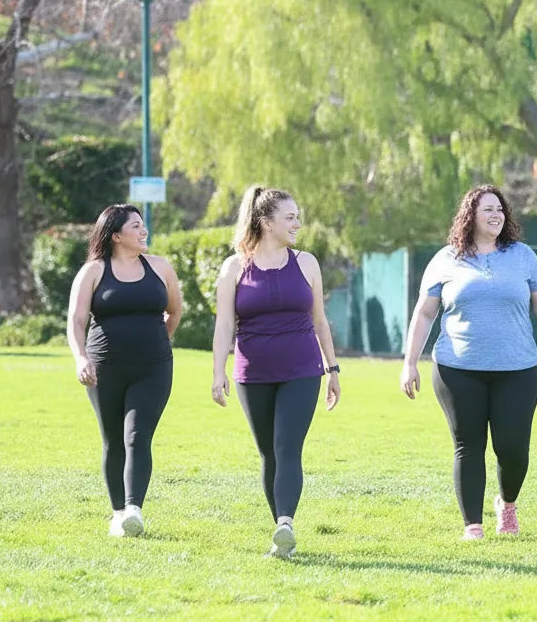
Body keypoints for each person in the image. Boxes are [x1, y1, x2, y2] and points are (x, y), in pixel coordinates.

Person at [400, 184, 537, 540]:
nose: (496, 215)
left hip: (517, 369)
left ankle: (507, 504)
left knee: (512, 448)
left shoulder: (522, 256)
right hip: (457, 369)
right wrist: (410, 362)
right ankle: (472, 526)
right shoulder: (447, 259)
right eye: (487, 210)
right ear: (470, 216)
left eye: (500, 209)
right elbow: (424, 313)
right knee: (468, 445)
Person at [211, 185, 341, 559]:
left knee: (287, 447)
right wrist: (218, 371)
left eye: (297, 216)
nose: (298, 223)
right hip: (253, 373)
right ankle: (281, 536)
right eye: (290, 217)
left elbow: (319, 321)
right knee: (268, 453)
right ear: (266, 222)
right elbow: (224, 326)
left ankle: (286, 522)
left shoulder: (307, 263)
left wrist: (332, 368)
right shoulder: (234, 267)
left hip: (302, 368)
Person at [67, 204, 183, 538]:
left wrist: (158, 344)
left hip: (154, 368)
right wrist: (80, 359)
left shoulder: (160, 268)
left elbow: (174, 312)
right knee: (113, 440)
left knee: (137, 435)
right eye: (136, 226)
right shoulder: (92, 271)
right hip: (104, 369)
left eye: (143, 225)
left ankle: (134, 509)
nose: (144, 230)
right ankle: (117, 513)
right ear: (116, 235)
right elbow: (76, 321)